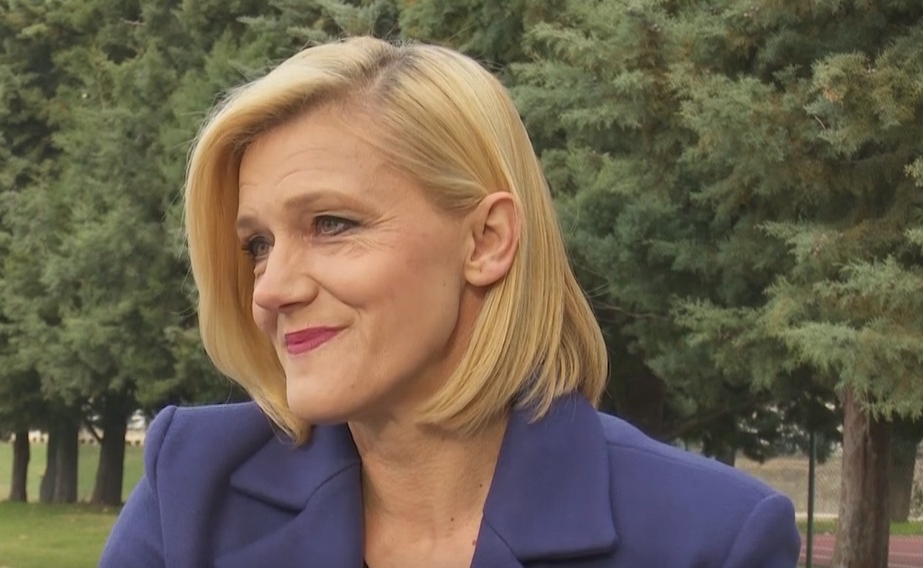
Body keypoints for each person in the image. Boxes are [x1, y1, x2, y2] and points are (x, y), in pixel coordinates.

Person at [99, 37, 801, 567]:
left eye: (331, 225)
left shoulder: (711, 539)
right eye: (258, 244)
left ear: (487, 241)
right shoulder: (192, 485)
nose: (272, 288)